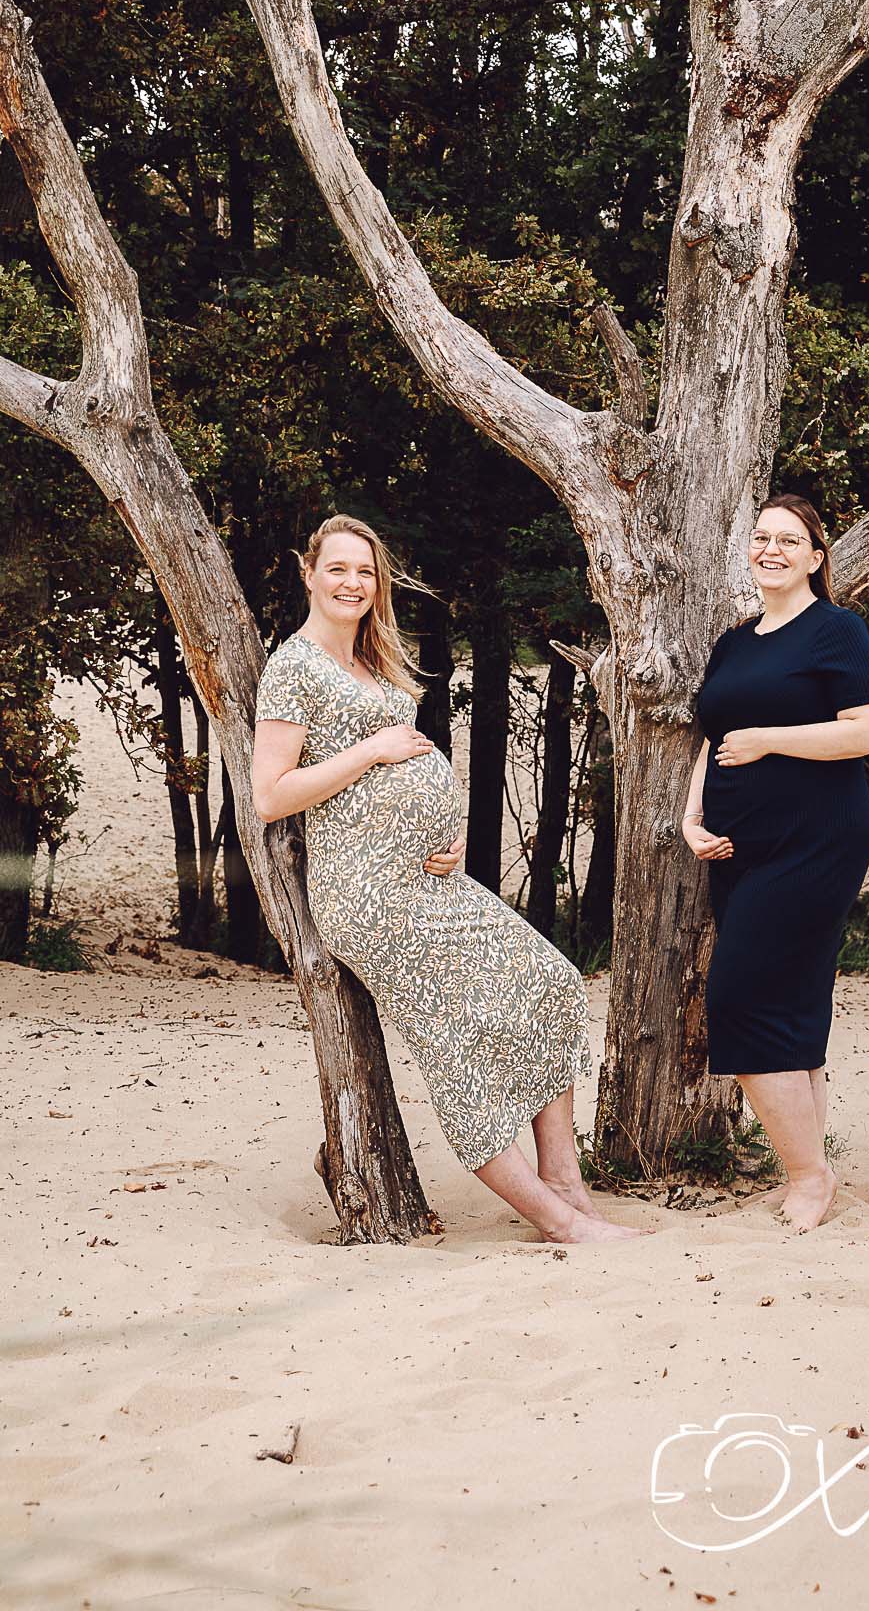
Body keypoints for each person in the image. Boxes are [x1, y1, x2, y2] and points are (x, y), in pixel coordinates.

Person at [251, 513, 646, 1246]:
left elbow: (403, 769)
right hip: (368, 895)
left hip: (425, 879)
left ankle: (561, 1175)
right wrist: (372, 750)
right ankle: (554, 1218)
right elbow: (272, 795)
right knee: (452, 1044)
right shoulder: (294, 665)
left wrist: (443, 830)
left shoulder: (370, 662)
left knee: (551, 983)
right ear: (307, 574)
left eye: (364, 571)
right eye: (337, 568)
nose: (352, 583)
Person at [681, 494, 869, 1232]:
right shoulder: (736, 641)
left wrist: (769, 738)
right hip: (739, 845)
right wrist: (690, 814)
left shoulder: (836, 631)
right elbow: (713, 734)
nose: (771, 549)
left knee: (738, 997)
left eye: (788, 540)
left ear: (814, 556)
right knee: (795, 1002)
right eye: (761, 538)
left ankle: (806, 1178)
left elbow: (865, 734)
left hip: (816, 839)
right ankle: (808, 1171)